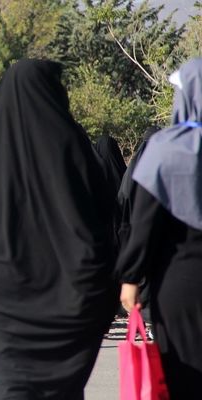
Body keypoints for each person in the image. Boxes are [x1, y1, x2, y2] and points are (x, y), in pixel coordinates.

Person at [0, 59, 118, 399]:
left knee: (12, 381)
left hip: (5, 291)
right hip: (71, 292)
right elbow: (104, 214)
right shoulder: (74, 145)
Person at [116, 59, 202, 399]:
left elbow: (144, 222)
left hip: (180, 282)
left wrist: (131, 277)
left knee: (184, 376)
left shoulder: (166, 149)